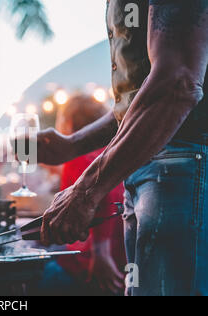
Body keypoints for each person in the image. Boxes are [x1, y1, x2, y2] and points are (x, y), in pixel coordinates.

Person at [37, 1, 208, 296]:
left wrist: (85, 189)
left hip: (182, 169)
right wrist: (72, 146)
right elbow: (137, 100)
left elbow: (178, 82)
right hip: (158, 170)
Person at [40, 95, 126, 295]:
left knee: (32, 274)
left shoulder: (77, 158)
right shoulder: (116, 153)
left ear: (68, 123)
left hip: (93, 267)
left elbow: (104, 196)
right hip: (125, 263)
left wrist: (101, 253)